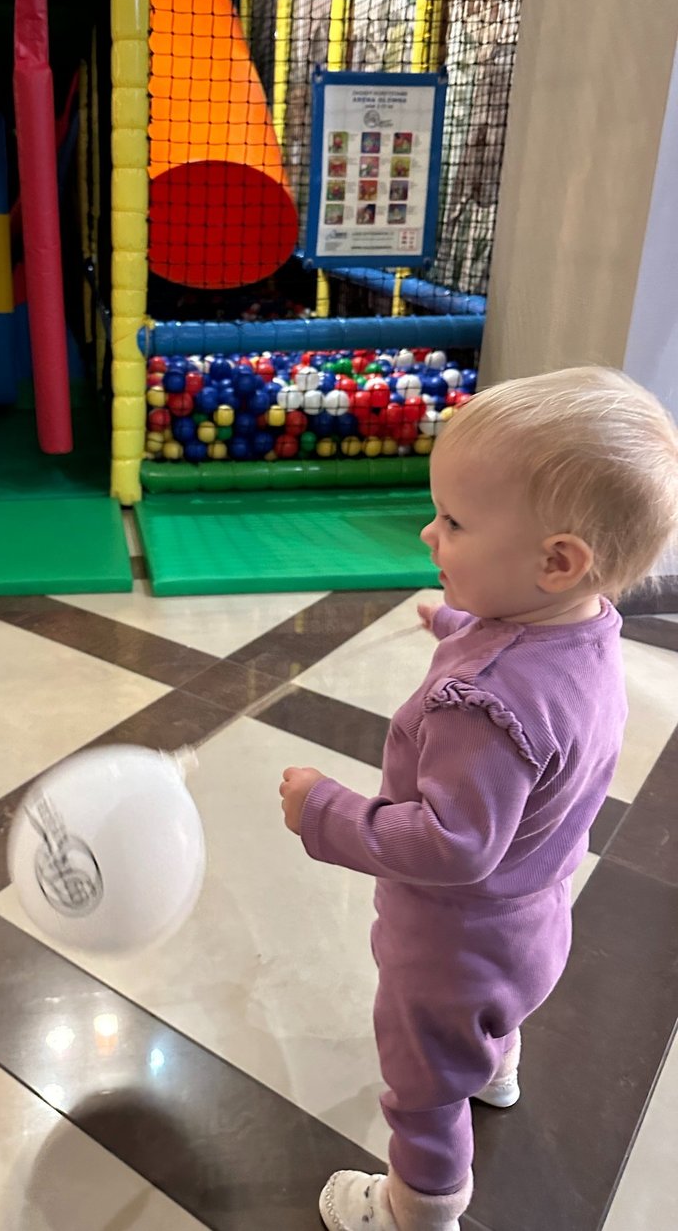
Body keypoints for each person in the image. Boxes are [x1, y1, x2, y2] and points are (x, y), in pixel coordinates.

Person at [279, 367, 678, 1231]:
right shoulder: (586, 629)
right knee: (483, 1023)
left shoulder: (482, 709)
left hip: (449, 945)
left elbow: (450, 844)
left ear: (556, 561)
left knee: (422, 1084)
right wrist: (460, 624)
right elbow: (534, 665)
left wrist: (323, 810)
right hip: (531, 922)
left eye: (454, 523)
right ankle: (494, 1067)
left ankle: (418, 1209)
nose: (430, 532)